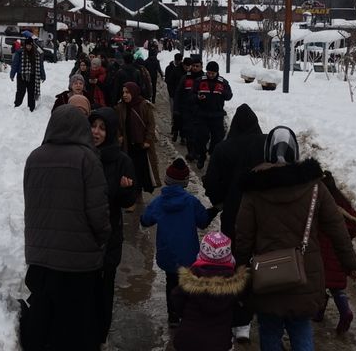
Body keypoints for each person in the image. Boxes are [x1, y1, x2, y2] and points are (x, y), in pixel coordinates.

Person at [234, 126, 356, 351]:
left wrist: (241, 270)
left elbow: (243, 236)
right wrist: (349, 263)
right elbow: (337, 228)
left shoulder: (253, 190)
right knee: (301, 329)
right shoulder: (315, 188)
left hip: (266, 275)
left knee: (270, 330)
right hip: (306, 274)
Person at [20, 105, 111, 351]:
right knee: (75, 321)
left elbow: (31, 204)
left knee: (43, 313)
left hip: (41, 256)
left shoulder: (34, 157)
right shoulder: (87, 158)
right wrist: (101, 238)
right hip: (77, 260)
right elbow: (97, 211)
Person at [202, 103, 266, 341]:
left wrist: (220, 201)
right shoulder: (265, 145)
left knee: (237, 262)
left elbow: (212, 183)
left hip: (234, 214)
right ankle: (263, 304)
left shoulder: (224, 148)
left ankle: (240, 320)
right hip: (264, 214)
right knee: (262, 259)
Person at [140, 158, 216, 327]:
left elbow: (145, 220)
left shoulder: (159, 202)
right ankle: (187, 313)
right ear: (185, 182)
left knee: (171, 282)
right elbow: (203, 221)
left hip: (167, 252)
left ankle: (173, 316)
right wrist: (214, 210)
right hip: (188, 254)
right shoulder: (190, 202)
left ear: (167, 180)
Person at [88, 108, 139, 346]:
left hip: (109, 235)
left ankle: (100, 334)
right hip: (82, 236)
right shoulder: (83, 154)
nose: (96, 132)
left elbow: (129, 202)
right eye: (93, 126)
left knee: (105, 287)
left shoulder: (121, 161)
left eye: (102, 128)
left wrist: (126, 189)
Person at [171, 232, 249, 351]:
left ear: (201, 255)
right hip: (220, 343)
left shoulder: (189, 281)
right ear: (229, 258)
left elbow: (176, 299)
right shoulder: (235, 287)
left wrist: (185, 314)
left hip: (188, 341)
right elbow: (242, 314)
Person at [316, 171, 356, 334]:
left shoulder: (322, 204)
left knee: (320, 282)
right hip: (340, 252)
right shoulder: (344, 204)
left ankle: (320, 312)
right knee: (336, 286)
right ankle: (342, 311)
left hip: (323, 251)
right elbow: (353, 227)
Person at [115, 82, 160, 193]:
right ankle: (135, 196)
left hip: (142, 145)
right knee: (130, 171)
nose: (125, 95)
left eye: (128, 92)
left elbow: (150, 124)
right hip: (127, 145)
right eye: (123, 92)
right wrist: (119, 136)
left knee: (143, 171)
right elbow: (117, 125)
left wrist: (148, 140)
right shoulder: (120, 107)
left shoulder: (144, 105)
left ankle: (140, 193)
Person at [192, 61, 233, 169]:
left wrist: (222, 92)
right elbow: (191, 95)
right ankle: (201, 155)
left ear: (217, 73)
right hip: (202, 115)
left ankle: (212, 154)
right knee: (201, 137)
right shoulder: (199, 81)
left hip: (217, 115)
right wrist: (197, 98)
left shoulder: (223, 82)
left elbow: (229, 96)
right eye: (208, 73)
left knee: (217, 138)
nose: (210, 75)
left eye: (212, 73)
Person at [174, 56, 203, 157]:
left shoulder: (205, 79)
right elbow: (178, 93)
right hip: (187, 109)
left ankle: (198, 151)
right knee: (189, 132)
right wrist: (176, 108)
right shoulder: (186, 77)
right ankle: (191, 152)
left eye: (197, 66)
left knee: (200, 133)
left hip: (201, 111)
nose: (195, 68)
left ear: (201, 67)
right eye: (193, 66)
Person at [10, 39, 45, 112]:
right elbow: (15, 64)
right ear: (25, 45)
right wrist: (12, 74)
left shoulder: (36, 54)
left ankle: (31, 108)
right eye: (27, 45)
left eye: (30, 45)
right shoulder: (20, 53)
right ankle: (17, 106)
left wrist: (43, 75)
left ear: (32, 45)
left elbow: (40, 65)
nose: (28, 47)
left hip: (32, 76)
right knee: (20, 91)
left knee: (31, 92)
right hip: (21, 75)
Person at [164, 54, 184, 141]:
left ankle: (180, 129)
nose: (179, 62)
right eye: (177, 60)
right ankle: (174, 127)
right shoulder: (169, 68)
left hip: (182, 94)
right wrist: (171, 93)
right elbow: (168, 81)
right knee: (174, 111)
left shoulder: (183, 68)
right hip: (173, 94)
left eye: (180, 60)